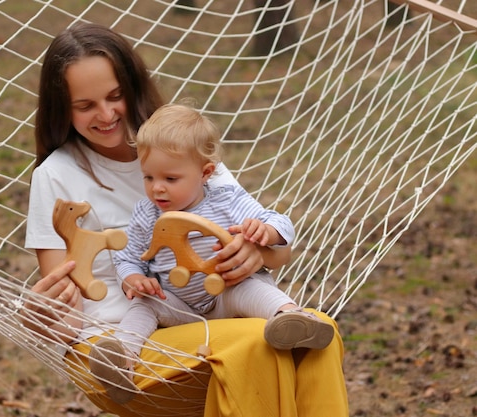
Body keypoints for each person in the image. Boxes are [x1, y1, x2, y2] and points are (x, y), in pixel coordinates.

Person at [24, 22, 349, 417]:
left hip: (210, 311)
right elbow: (62, 304)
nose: (106, 114)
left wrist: (255, 252)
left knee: (319, 333)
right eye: (85, 105)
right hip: (120, 346)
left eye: (115, 96)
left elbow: (277, 252)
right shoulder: (55, 176)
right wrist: (40, 316)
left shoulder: (179, 144)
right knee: (256, 345)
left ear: (132, 86)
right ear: (63, 107)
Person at [89, 103, 335, 403]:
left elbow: (279, 222)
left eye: (170, 179)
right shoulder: (146, 214)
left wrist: (264, 233)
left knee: (250, 284)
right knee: (144, 303)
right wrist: (133, 279)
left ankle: (291, 320)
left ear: (205, 173)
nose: (157, 189)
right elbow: (126, 257)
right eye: (148, 178)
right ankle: (122, 362)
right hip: (177, 305)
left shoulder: (227, 201)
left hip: (225, 294)